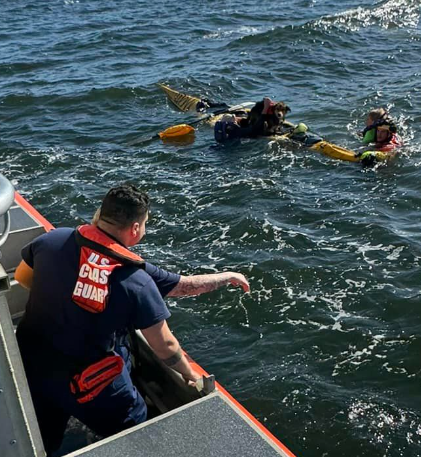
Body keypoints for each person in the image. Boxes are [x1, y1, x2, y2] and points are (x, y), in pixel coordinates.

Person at [13, 184, 250, 450]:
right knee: (133, 425)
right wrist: (188, 375)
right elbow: (166, 347)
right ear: (136, 229)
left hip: (31, 362)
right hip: (89, 384)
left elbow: (22, 278)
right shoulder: (135, 282)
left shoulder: (53, 240)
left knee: (44, 436)